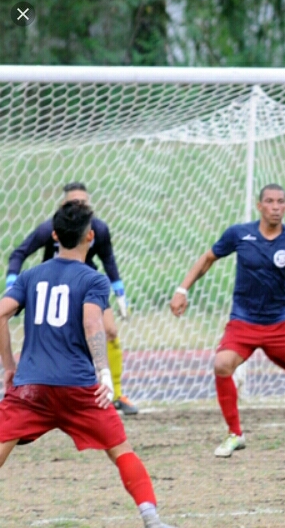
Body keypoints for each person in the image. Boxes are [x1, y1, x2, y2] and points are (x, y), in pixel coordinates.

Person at [0, 200, 174, 527]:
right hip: (79, 387)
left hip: (31, 386)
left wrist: (8, 367)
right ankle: (152, 519)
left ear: (54, 236)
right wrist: (104, 374)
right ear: (90, 237)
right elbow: (93, 325)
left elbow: (1, 313)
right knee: (120, 449)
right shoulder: (93, 279)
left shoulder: (29, 276)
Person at [169, 183, 285, 462]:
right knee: (221, 364)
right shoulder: (240, 234)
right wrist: (182, 290)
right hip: (243, 322)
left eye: (280, 202)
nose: (275, 206)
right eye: (270, 201)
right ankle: (234, 434)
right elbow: (208, 258)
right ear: (259, 206)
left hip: (281, 324)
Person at [6, 182, 139, 416]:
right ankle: (31, 385)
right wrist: (11, 283)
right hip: (54, 285)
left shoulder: (99, 229)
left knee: (110, 331)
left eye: (83, 202)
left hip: (89, 287)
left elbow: (109, 259)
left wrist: (119, 290)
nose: (78, 205)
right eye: (72, 202)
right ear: (62, 207)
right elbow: (19, 253)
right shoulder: (49, 229)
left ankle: (115, 394)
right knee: (44, 336)